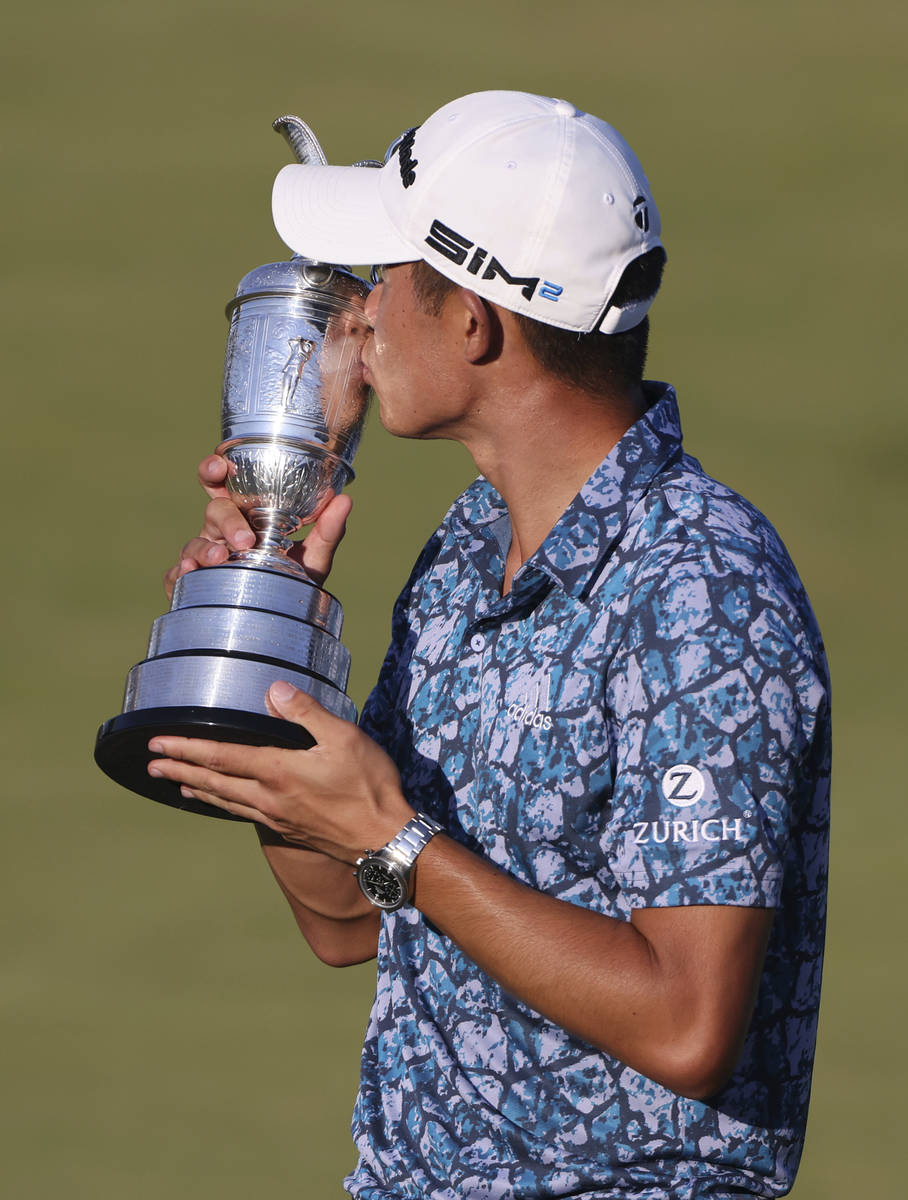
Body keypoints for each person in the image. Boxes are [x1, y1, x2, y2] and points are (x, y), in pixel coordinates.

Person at [150, 92, 830, 1198]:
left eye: (383, 276)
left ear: (471, 322)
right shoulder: (470, 548)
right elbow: (346, 919)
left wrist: (398, 837)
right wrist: (272, 643)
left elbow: (686, 1022)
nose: (358, 312)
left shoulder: (699, 588)